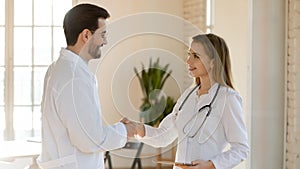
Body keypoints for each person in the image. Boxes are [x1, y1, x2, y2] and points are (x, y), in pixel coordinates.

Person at [123, 33, 250, 169]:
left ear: (213, 61)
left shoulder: (228, 98)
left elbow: (241, 149)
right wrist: (138, 129)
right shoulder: (187, 96)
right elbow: (164, 135)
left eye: (196, 56)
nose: (188, 61)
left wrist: (211, 165)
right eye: (189, 54)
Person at [38, 3, 135, 169]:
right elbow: (89, 140)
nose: (105, 41)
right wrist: (126, 131)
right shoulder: (74, 77)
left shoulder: (60, 68)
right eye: (102, 34)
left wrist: (117, 130)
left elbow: (81, 129)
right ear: (86, 35)